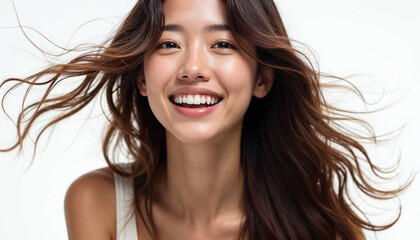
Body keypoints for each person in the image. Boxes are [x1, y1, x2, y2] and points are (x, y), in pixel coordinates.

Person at [0, 0, 408, 239]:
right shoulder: (98, 203)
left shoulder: (318, 225)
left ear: (262, 78)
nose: (192, 67)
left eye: (223, 43)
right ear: (142, 78)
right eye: (169, 43)